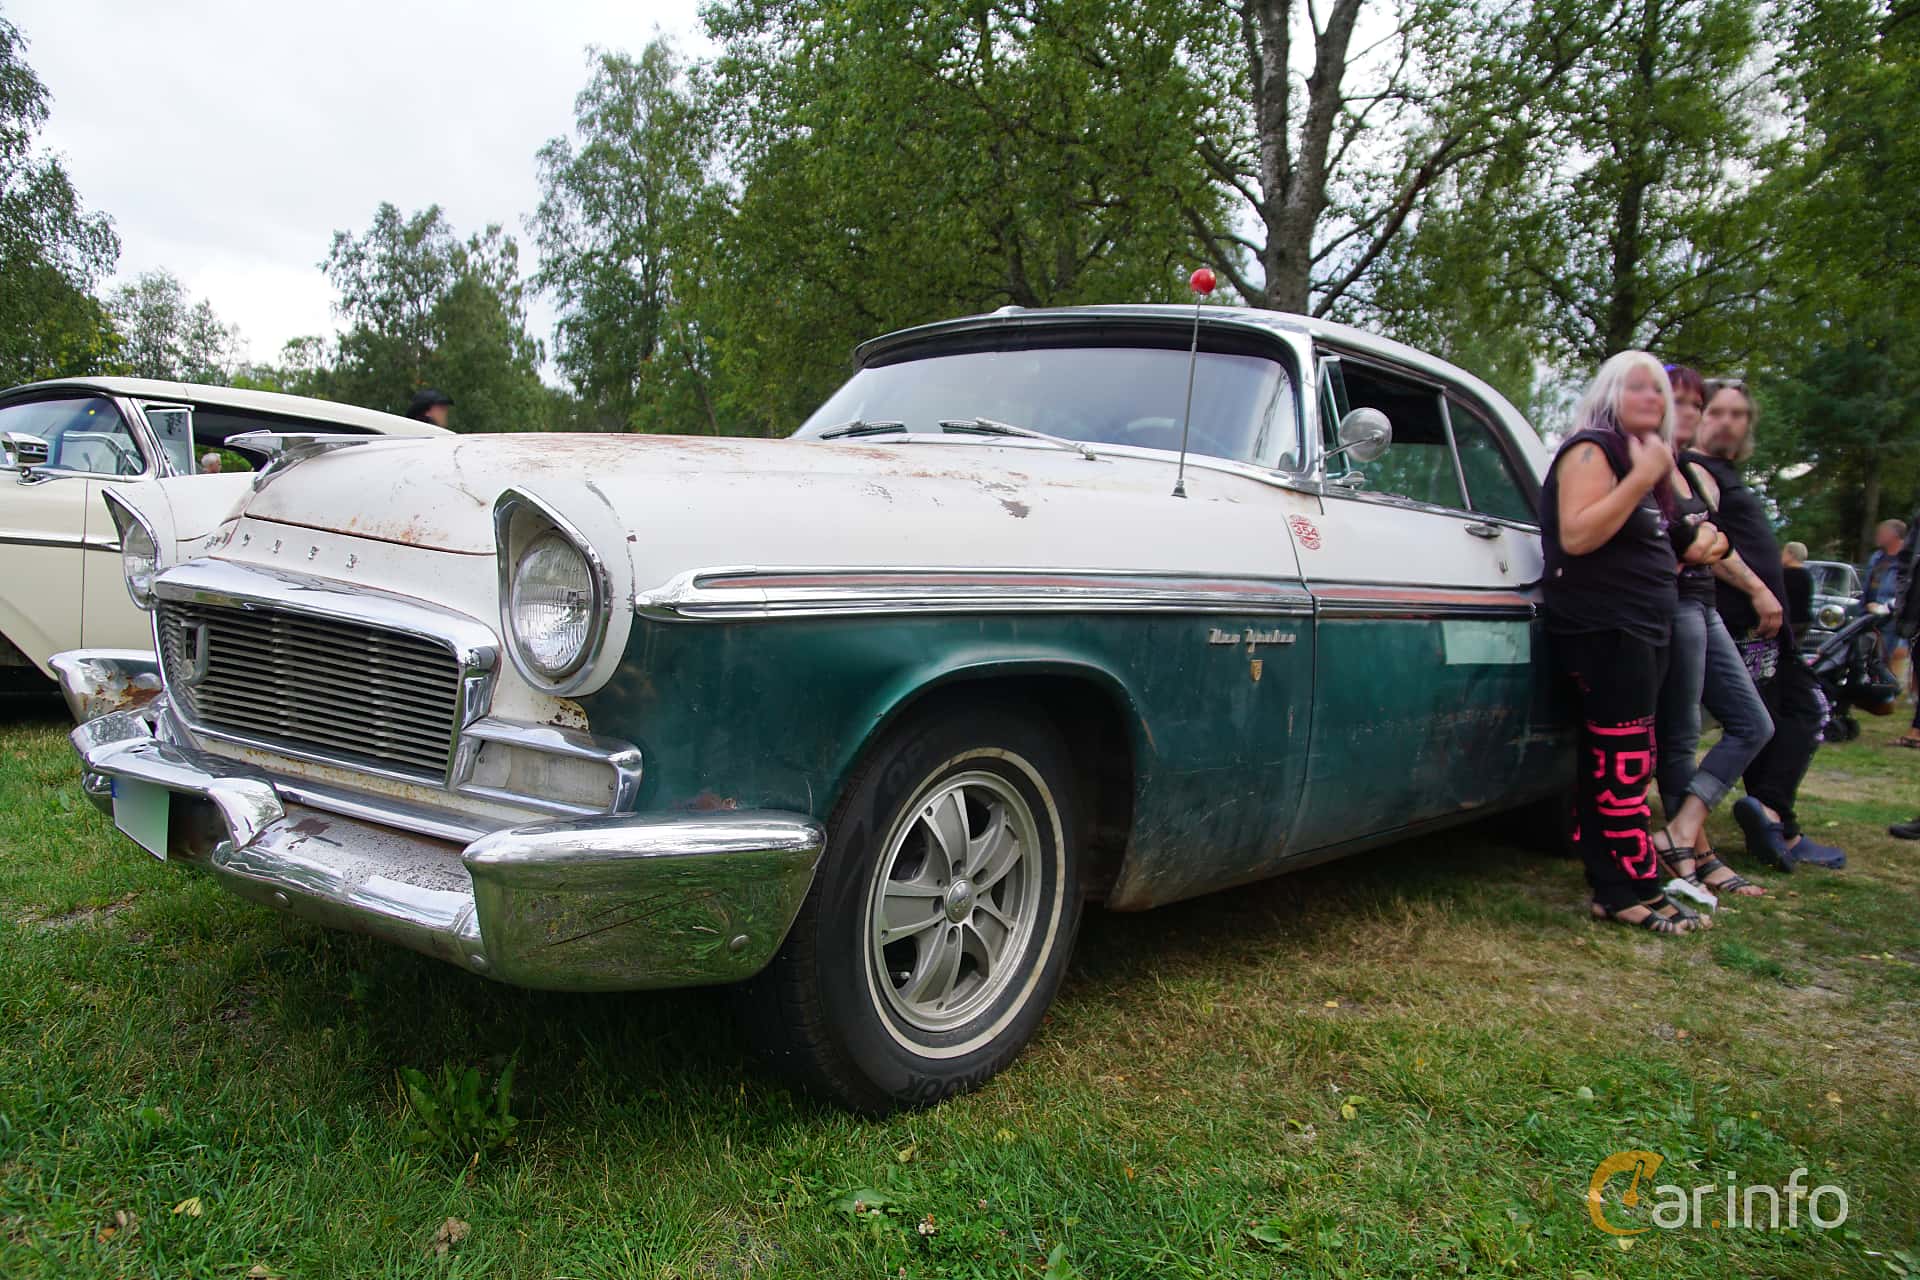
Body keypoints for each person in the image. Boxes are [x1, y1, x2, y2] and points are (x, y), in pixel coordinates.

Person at [1541, 352, 1705, 933]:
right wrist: (1640, 476)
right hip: (1605, 629)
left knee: (1628, 762)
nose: (1653, 400)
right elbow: (1578, 534)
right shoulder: (1592, 448)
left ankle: (1624, 883)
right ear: (1610, 393)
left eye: (1659, 391)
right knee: (1620, 763)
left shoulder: (1645, 462)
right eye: (1639, 388)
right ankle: (1622, 889)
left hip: (1641, 628)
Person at [1686, 379, 1841, 870]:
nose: (1727, 422)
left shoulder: (1722, 474)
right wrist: (1756, 590)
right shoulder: (1696, 471)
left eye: (1738, 414)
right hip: (1743, 621)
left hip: (1757, 622)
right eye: (1717, 411)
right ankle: (1774, 814)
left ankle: (1771, 814)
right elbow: (1697, 542)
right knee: (1803, 706)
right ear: (1698, 417)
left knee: (1770, 714)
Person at [1652, 363, 1774, 901]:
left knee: (1753, 723)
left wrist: (1757, 589)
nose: (1690, 413)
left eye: (1695, 405)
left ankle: (1682, 832)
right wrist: (1702, 545)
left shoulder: (1694, 475)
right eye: (1678, 402)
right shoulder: (1643, 465)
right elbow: (1681, 546)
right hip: (1672, 607)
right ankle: (1696, 854)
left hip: (1706, 606)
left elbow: (1713, 547)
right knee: (1679, 738)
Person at [1865, 519, 1910, 684]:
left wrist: (1887, 606)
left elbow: (1908, 591)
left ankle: (1887, 688)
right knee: (1868, 654)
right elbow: (1868, 587)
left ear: (1894, 536)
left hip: (1893, 616)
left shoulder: (1908, 560)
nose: (1878, 536)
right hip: (1870, 614)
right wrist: (1866, 604)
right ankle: (1872, 685)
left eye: (1882, 532)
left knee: (1890, 655)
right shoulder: (1877, 558)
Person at [1781, 541, 1814, 630]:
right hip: (1804, 621)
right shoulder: (1807, 574)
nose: (1781, 556)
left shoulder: (1784, 575)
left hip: (1788, 622)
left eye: (1783, 553)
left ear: (1791, 555)